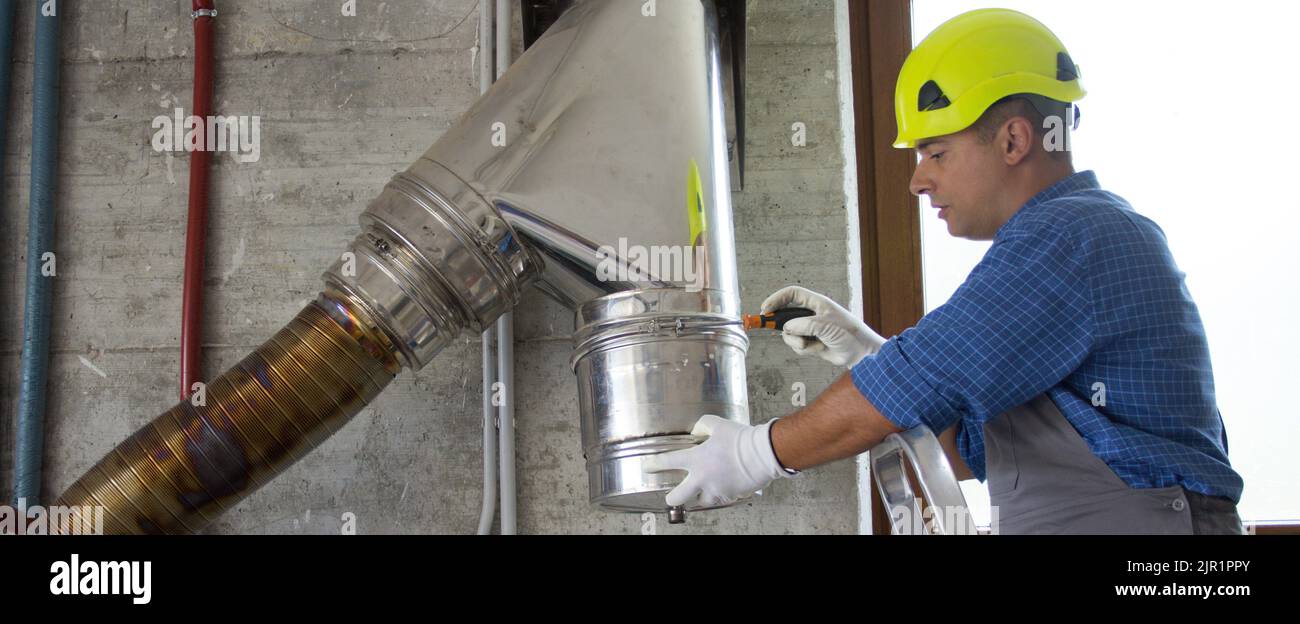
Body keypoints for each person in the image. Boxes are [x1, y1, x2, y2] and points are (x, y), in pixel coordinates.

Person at [644, 8, 1244, 534]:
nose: (918, 180)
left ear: (1013, 140)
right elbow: (962, 453)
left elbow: (924, 376)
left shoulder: (1075, 236)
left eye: (936, 152)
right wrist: (866, 354)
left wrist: (755, 453)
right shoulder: (1057, 248)